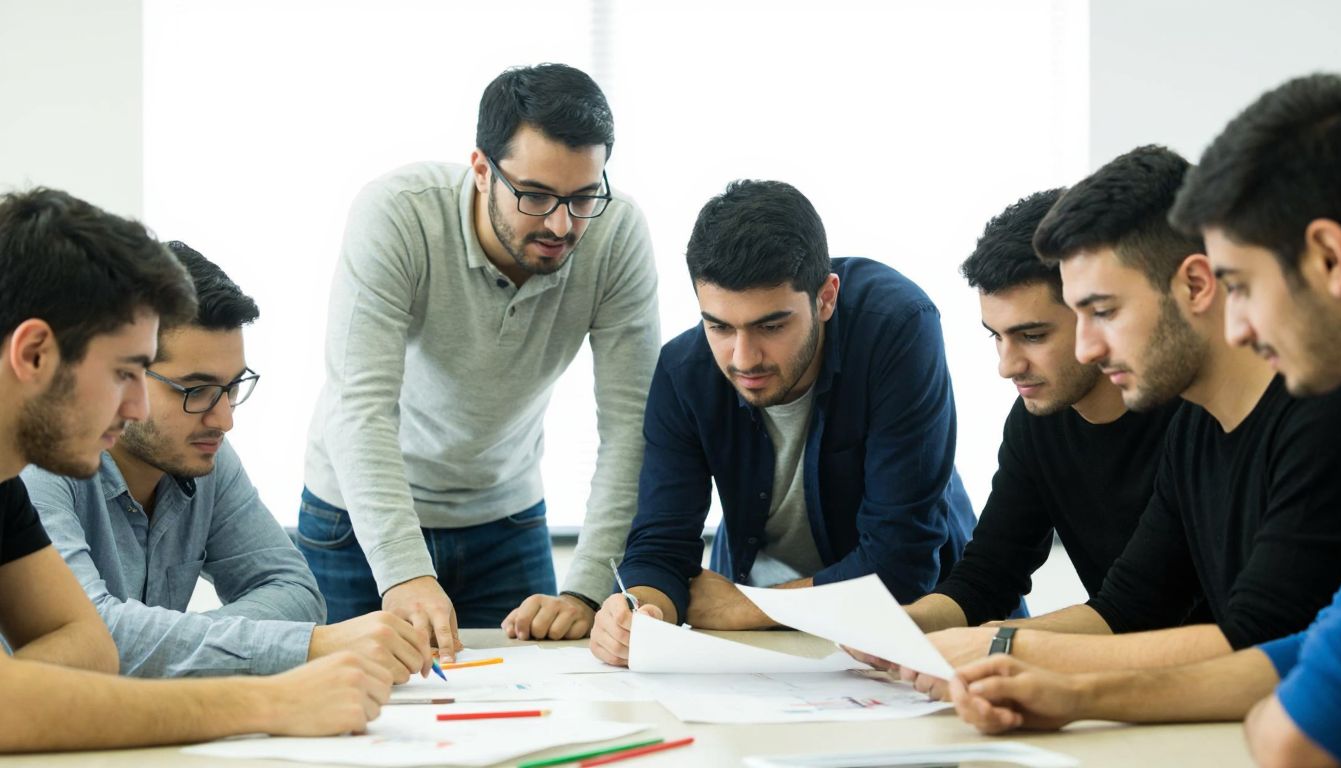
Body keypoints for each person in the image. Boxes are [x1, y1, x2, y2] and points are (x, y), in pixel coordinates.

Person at [945, 73, 1341, 768]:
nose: (1240, 323)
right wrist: (1074, 692)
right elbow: (1309, 644)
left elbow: (1291, 728)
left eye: (1244, 286)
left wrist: (1022, 653)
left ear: (1330, 258)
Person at [911, 145, 1341, 682]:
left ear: (1198, 284)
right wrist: (982, 647)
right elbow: (1129, 608)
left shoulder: (1327, 415)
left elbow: (1262, 645)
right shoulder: (1196, 426)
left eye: (1104, 312)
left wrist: (1014, 656)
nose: (1088, 348)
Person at [0, 188, 390, 751]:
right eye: (122, 373)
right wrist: (271, 697)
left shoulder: (4, 483)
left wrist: (31, 689)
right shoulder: (39, 470)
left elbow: (92, 648)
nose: (132, 409)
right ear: (34, 353)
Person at [299, 63, 660, 649]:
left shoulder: (615, 234)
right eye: (536, 196)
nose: (561, 224)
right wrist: (405, 572)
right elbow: (360, 407)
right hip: (356, 522)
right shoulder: (398, 214)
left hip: (506, 521)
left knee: (540, 705)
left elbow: (631, 428)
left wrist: (589, 590)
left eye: (583, 196)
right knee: (355, 715)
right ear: (481, 170)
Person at [591, 179, 976, 666]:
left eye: (771, 326)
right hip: (768, 647)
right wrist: (638, 612)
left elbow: (900, 564)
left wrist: (748, 605)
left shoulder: (896, 325)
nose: (743, 357)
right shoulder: (683, 370)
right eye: (719, 326)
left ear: (826, 298)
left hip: (920, 634)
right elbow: (661, 547)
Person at [24, 242, 433, 681]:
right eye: (194, 391)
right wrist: (309, 645)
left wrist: (167, 645)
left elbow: (295, 593)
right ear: (122, 372)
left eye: (232, 388)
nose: (224, 419)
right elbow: (88, 640)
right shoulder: (35, 465)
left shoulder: (205, 454)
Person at [901, 188, 1182, 632]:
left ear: (1095, 312)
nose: (1006, 366)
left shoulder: (1189, 420)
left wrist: (997, 644)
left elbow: (1135, 610)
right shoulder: (1036, 419)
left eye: (1032, 336)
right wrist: (898, 628)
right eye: (995, 335)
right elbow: (987, 576)